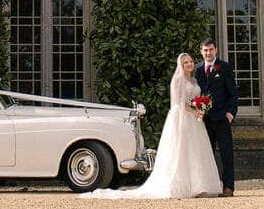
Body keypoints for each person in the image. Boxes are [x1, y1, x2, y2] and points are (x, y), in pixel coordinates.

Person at [82, 53, 221, 200]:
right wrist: (196, 111)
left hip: (194, 120)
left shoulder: (193, 80)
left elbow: (194, 99)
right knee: (182, 150)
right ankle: (181, 186)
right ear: (181, 65)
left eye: (191, 61)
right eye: (186, 62)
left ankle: (199, 186)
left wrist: (200, 108)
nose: (189, 64)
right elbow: (178, 103)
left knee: (196, 151)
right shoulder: (178, 80)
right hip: (182, 118)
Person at [194, 38, 237, 196]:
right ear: (201, 51)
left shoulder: (224, 67)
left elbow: (233, 93)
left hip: (222, 118)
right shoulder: (197, 69)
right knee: (206, 154)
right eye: (205, 50)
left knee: (226, 154)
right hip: (204, 120)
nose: (208, 53)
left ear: (216, 50)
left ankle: (228, 187)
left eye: (211, 49)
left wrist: (230, 113)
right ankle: (206, 187)